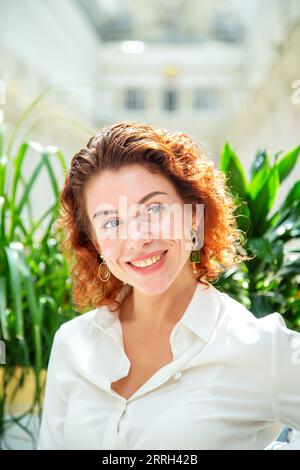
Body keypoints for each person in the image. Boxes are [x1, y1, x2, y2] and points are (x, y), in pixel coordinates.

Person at [37, 122, 300, 450]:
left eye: (154, 209)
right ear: (94, 243)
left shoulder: (259, 348)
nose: (137, 238)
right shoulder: (72, 344)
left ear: (193, 215)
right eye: (111, 222)